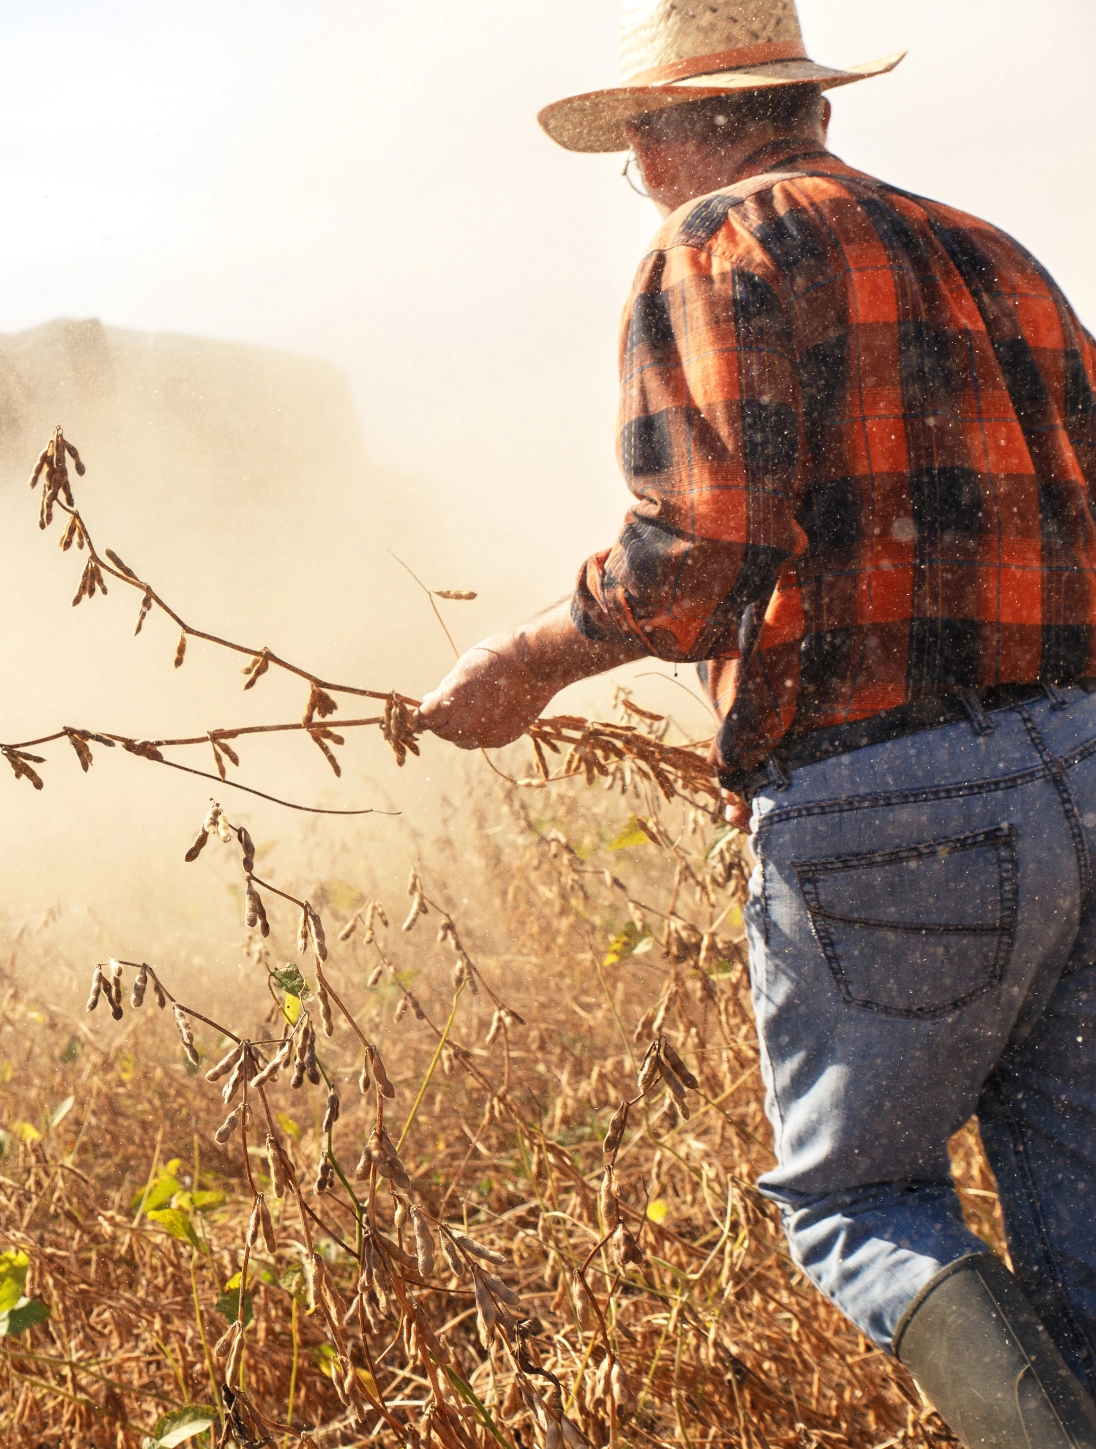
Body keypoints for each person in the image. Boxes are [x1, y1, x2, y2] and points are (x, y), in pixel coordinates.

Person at [415, 2, 1096, 1444]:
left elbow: (695, 551)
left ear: (688, 128)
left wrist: (525, 666)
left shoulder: (718, 245)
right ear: (809, 105)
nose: (640, 169)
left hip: (888, 799)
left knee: (858, 1198)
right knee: (1079, 1187)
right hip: (1088, 760)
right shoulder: (999, 254)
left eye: (640, 137)